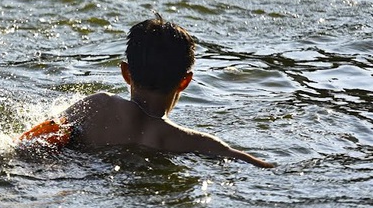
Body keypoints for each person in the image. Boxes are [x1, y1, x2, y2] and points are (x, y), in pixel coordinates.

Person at [21, 14, 274, 168]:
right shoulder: (191, 141)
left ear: (125, 73)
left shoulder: (98, 106)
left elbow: (34, 139)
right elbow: (252, 163)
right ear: (185, 82)